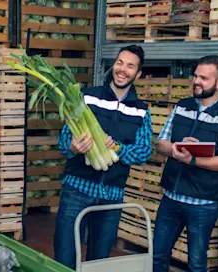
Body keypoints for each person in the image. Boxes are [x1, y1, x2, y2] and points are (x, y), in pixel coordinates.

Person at [53, 45, 153, 269]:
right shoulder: (86, 97)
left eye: (130, 66)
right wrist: (74, 147)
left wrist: (118, 148)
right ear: (113, 65)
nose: (122, 69)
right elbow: (63, 142)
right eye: (119, 62)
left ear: (138, 74)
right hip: (77, 190)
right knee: (65, 257)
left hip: (111, 196)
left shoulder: (141, 110)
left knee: (98, 263)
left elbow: (144, 151)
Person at [153, 55, 218, 272]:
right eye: (195, 76)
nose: (196, 81)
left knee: (196, 264)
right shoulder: (182, 107)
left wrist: (193, 159)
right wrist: (175, 148)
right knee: (157, 257)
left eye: (204, 78)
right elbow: (160, 144)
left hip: (203, 204)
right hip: (171, 197)